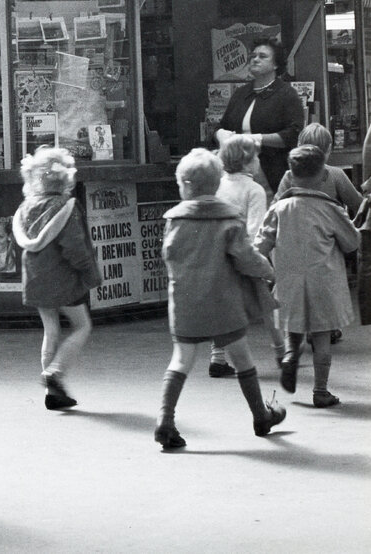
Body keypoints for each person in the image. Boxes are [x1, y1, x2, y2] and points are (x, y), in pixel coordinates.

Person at [154, 149, 285, 451]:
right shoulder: (229, 219)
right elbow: (245, 258)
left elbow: (169, 256)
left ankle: (165, 420)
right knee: (242, 359)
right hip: (224, 302)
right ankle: (260, 416)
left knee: (181, 360)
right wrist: (268, 271)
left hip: (184, 302)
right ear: (216, 185)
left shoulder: (173, 220)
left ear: (185, 186)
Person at [255, 144, 360, 407]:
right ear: (324, 174)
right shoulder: (330, 209)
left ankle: (291, 356)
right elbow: (352, 242)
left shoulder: (279, 209)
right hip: (324, 281)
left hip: (288, 280)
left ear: (290, 174)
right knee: (322, 335)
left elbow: (260, 245)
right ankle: (321, 391)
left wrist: (267, 271)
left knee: (294, 327)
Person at [11, 148, 100, 410]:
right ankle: (55, 372)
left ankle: (53, 392)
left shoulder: (25, 208)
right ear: (66, 178)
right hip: (63, 279)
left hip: (36, 278)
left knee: (51, 329)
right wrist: (90, 275)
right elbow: (75, 249)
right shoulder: (67, 208)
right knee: (82, 326)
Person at [208, 135, 284, 377]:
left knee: (223, 309)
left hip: (220, 257)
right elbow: (256, 229)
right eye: (256, 156)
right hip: (244, 255)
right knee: (267, 305)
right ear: (247, 162)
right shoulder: (255, 190)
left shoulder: (217, 185)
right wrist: (260, 262)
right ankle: (283, 353)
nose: (259, 161)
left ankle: (217, 358)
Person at [215, 39, 304, 191]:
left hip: (272, 175)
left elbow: (293, 134)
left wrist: (257, 138)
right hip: (235, 174)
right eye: (253, 56)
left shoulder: (287, 94)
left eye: (263, 56)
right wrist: (220, 134)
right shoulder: (240, 93)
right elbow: (221, 126)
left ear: (276, 65)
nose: (255, 59)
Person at [274, 123, 363, 215]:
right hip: (329, 227)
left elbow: (276, 209)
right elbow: (358, 205)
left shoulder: (289, 176)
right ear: (328, 149)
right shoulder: (335, 174)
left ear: (298, 145)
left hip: (298, 226)